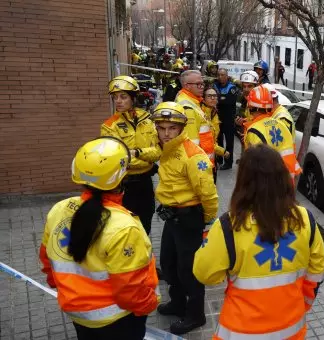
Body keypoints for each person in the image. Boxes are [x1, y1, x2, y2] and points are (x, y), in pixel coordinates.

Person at [193, 144, 324, 340]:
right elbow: (316, 273)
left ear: (243, 182)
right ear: (282, 178)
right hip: (292, 329)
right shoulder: (305, 219)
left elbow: (204, 274)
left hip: (240, 332)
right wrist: (301, 305)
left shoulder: (229, 225)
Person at [39, 137, 159, 340]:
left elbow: (47, 262)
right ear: (122, 177)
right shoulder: (123, 227)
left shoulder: (58, 210)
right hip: (117, 320)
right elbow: (130, 289)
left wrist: (69, 291)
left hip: (77, 314)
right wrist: (149, 304)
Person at [136, 102, 217, 335]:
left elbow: (208, 193)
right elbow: (153, 153)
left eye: (172, 128)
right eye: (161, 128)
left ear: (181, 128)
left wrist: (206, 222)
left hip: (190, 218)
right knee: (169, 265)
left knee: (189, 270)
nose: (166, 133)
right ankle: (178, 302)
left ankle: (195, 315)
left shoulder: (192, 155)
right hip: (172, 217)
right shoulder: (165, 148)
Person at [101, 75, 160, 235]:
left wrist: (136, 152)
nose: (118, 101)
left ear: (133, 98)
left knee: (146, 222)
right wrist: (143, 156)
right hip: (124, 185)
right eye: (115, 97)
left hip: (146, 183)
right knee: (126, 227)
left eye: (123, 97)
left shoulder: (148, 120)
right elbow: (117, 158)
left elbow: (157, 152)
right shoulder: (109, 126)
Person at [243, 86, 302, 183]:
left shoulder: (254, 130)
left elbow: (255, 166)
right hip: (287, 181)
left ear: (251, 107)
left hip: (268, 186)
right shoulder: (280, 124)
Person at [176, 70, 216, 169]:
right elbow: (192, 144)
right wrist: (200, 168)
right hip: (200, 165)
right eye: (198, 84)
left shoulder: (193, 102)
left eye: (202, 84)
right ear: (187, 86)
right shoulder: (187, 107)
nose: (202, 87)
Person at [200, 86, 230, 183]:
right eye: (209, 96)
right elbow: (204, 141)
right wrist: (222, 151)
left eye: (214, 96)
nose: (213, 98)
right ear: (203, 99)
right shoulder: (201, 114)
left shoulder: (214, 112)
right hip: (201, 160)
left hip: (212, 157)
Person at [213, 68, 240, 170]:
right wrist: (221, 98)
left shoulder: (232, 87)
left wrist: (218, 98)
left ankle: (228, 163)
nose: (220, 77)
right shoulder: (215, 86)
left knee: (229, 143)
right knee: (218, 141)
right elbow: (215, 99)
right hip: (217, 119)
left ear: (227, 76)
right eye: (219, 75)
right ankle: (219, 160)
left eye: (223, 75)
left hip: (229, 119)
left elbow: (229, 101)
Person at [234, 70, 260, 143]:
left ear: (256, 86)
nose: (246, 89)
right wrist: (238, 123)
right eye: (244, 86)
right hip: (245, 138)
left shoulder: (261, 102)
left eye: (249, 86)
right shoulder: (240, 98)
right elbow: (237, 115)